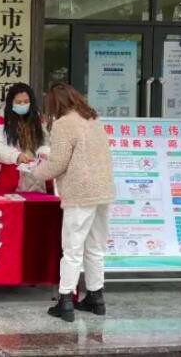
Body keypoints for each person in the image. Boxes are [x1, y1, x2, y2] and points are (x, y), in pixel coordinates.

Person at [31, 83, 115, 323]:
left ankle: (66, 300)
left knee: (72, 249)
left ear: (55, 103)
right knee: (95, 247)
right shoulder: (93, 120)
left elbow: (58, 163)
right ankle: (96, 298)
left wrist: (34, 172)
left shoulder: (63, 124)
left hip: (80, 193)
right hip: (103, 191)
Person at [0, 83, 51, 193]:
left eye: (26, 102)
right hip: (10, 177)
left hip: (36, 177)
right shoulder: (1, 120)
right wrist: (16, 156)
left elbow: (46, 142)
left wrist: (43, 152)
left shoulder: (38, 120)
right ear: (11, 102)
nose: (23, 105)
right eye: (18, 102)